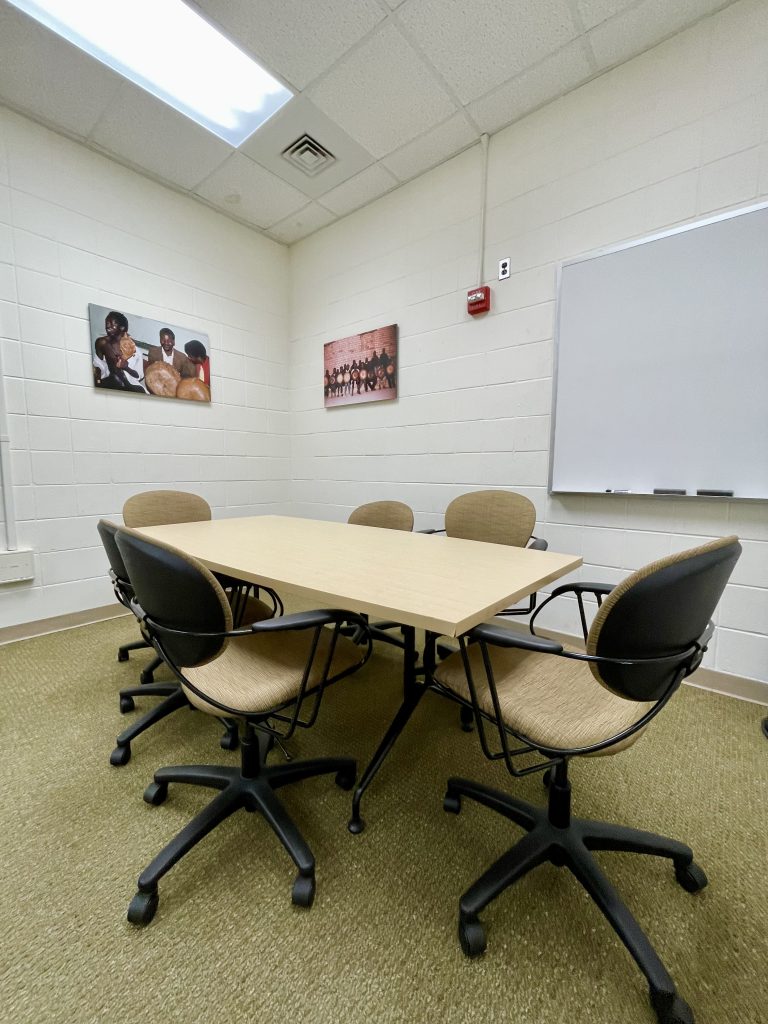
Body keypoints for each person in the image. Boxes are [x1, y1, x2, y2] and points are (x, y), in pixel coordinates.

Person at [93, 311, 147, 393]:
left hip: (130, 386)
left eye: (113, 323)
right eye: (107, 323)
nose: (108, 326)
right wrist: (97, 379)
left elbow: (138, 375)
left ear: (122, 328)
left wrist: (126, 367)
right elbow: (98, 365)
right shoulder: (102, 343)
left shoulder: (135, 350)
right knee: (114, 379)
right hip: (112, 382)